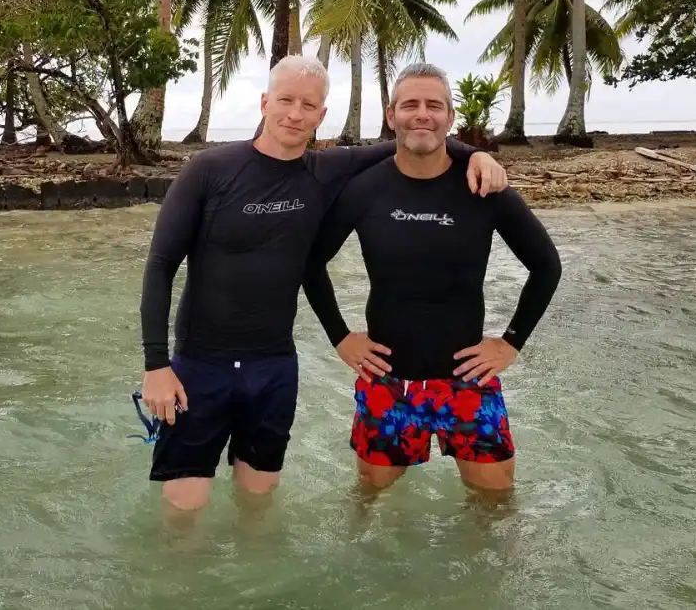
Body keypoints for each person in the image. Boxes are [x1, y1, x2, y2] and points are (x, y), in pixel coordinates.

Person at [138, 55, 508, 511]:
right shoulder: (210, 170)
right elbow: (160, 265)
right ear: (264, 102)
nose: (295, 113)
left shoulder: (326, 171)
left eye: (308, 105)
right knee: (184, 505)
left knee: (259, 501)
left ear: (322, 115)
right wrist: (156, 365)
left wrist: (479, 154)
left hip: (274, 367)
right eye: (286, 100)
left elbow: (417, 143)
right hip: (199, 365)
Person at [303, 63, 562, 493]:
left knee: (495, 508)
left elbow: (547, 266)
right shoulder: (363, 190)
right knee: (371, 510)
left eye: (433, 106)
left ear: (449, 118)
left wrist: (510, 343)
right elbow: (311, 262)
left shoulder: (483, 187)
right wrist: (340, 336)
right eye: (410, 105)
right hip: (387, 381)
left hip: (468, 381)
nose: (422, 114)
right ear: (392, 116)